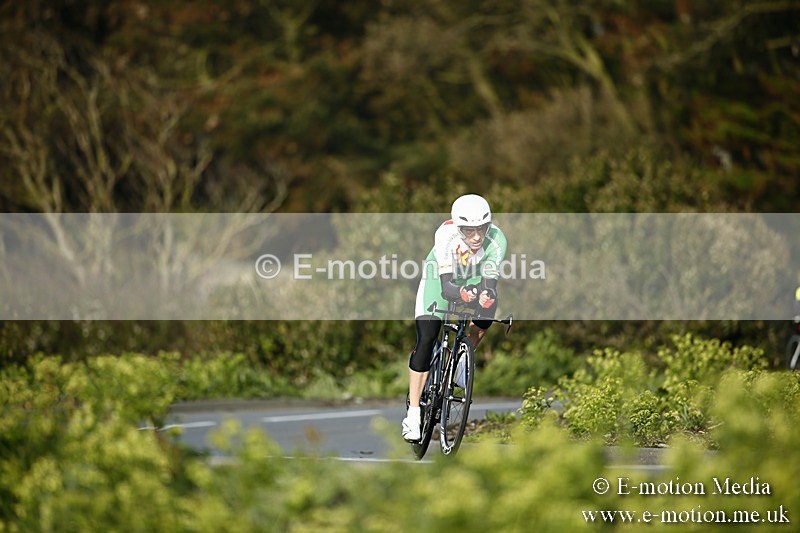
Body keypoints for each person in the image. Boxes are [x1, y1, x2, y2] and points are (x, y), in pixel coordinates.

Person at [402, 194, 507, 441]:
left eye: (481, 229)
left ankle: (462, 358)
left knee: (490, 305)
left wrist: (484, 296)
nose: (477, 237)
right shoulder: (445, 235)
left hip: (472, 278)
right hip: (440, 280)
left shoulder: (497, 240)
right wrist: (463, 294)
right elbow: (448, 287)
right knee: (427, 337)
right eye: (469, 231)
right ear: (458, 228)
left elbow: (490, 283)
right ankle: (414, 415)